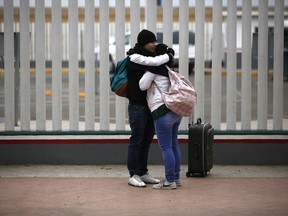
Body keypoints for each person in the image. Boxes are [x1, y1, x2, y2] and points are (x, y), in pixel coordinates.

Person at [126, 29, 174, 187]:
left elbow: (158, 59)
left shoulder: (151, 57)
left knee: (146, 141)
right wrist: (168, 54)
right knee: (136, 140)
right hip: (137, 106)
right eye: (151, 42)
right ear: (143, 44)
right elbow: (153, 64)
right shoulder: (134, 58)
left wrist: (165, 51)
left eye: (155, 42)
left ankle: (143, 172)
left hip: (150, 107)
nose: (154, 45)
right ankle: (133, 174)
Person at [138, 43, 182, 190]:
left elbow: (142, 85)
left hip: (162, 112)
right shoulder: (170, 69)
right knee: (174, 145)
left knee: (166, 147)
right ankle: (176, 177)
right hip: (175, 112)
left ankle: (169, 181)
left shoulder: (154, 69)